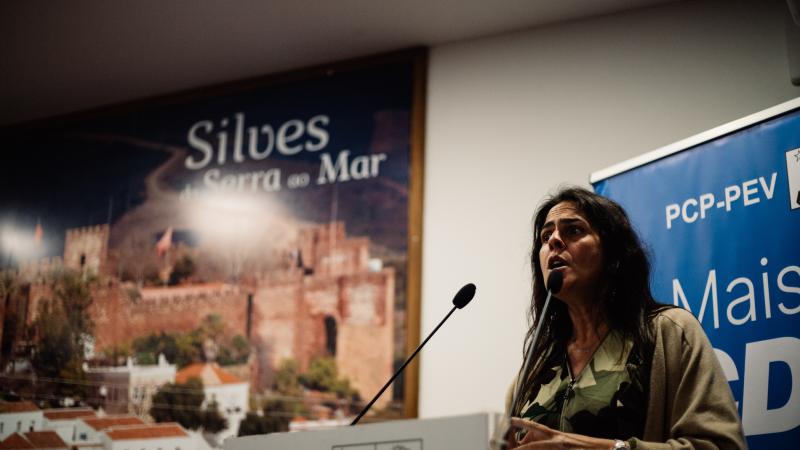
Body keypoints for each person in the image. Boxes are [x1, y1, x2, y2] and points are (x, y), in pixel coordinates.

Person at [504, 187, 746, 450]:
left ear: (614, 254)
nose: (554, 241)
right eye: (546, 236)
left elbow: (722, 446)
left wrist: (598, 448)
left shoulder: (669, 331)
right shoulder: (534, 366)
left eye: (573, 230)